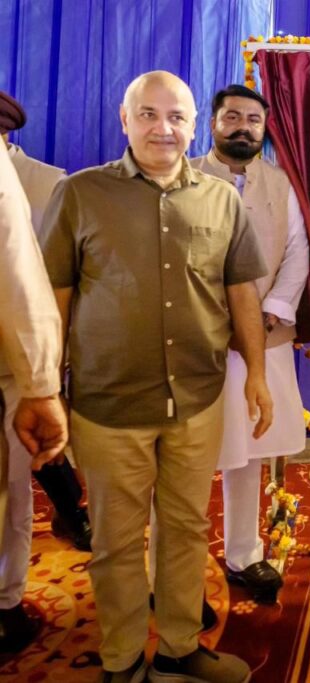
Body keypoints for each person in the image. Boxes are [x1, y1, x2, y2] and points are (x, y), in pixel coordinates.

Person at [40, 70, 271, 683]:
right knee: (116, 541)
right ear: (125, 120)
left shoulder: (222, 200)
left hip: (197, 398)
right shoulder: (79, 194)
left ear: (194, 127)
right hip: (108, 403)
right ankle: (120, 663)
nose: (162, 128)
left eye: (176, 117)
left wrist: (257, 374)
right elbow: (54, 297)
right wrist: (45, 388)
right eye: (148, 114)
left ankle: (178, 650)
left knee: (186, 528)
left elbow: (241, 291)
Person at [190, 84, 309, 602]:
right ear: (213, 123)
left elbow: (297, 251)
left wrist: (272, 310)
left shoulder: (279, 182)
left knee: (250, 450)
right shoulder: (185, 176)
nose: (243, 127)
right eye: (233, 117)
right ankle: (178, 568)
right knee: (190, 455)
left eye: (253, 120)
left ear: (264, 128)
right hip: (199, 341)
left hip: (264, 333)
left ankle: (244, 554)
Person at [1, 91, 92, 558]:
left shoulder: (48, 183)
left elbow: (49, 273)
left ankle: (70, 514)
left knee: (17, 480)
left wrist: (48, 367)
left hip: (19, 355)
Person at [0, 135, 67, 655]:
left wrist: (42, 378)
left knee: (14, 488)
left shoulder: (49, 182)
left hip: (10, 366)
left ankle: (7, 598)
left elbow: (32, 275)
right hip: (18, 364)